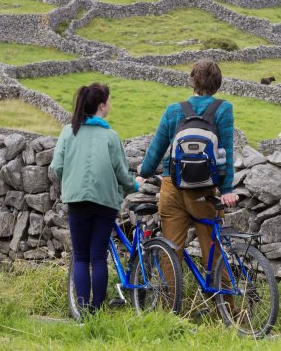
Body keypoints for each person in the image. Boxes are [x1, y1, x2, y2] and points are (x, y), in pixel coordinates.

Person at [50, 83, 143, 316]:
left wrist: (72, 180)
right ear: (102, 106)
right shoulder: (110, 136)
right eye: (109, 101)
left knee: (80, 256)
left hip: (77, 200)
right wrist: (135, 184)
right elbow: (122, 173)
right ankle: (98, 309)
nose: (111, 104)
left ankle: (81, 313)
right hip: (105, 203)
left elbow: (57, 167)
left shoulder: (68, 131)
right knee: (98, 256)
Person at [138, 59, 238, 275]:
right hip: (205, 190)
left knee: (170, 251)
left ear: (192, 81)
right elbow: (226, 153)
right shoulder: (223, 109)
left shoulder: (174, 110)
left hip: (172, 185)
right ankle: (225, 307)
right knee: (213, 250)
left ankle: (168, 306)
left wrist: (143, 173)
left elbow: (156, 149)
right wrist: (227, 189)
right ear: (218, 84)